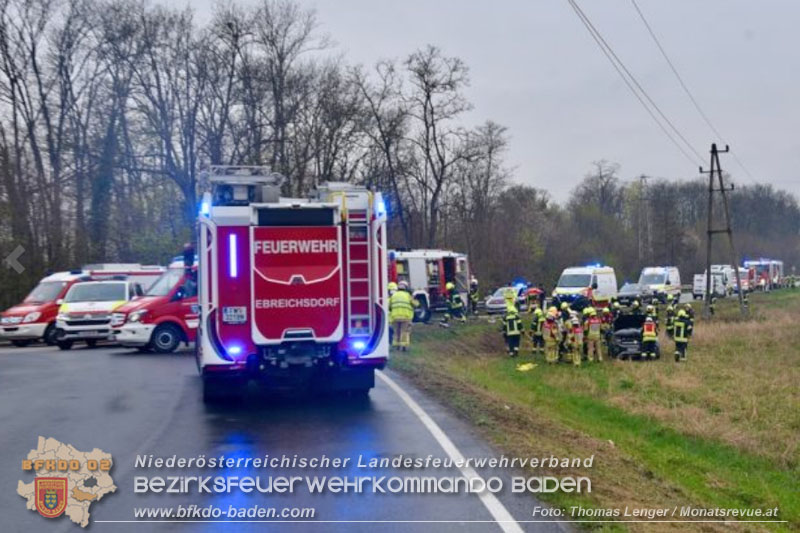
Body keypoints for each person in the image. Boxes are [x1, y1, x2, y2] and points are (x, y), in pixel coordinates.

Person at [389, 281, 417, 351]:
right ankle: (403, 347)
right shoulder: (408, 295)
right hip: (405, 317)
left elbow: (389, 306)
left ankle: (396, 346)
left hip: (395, 317)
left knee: (396, 332)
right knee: (404, 332)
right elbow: (415, 304)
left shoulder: (394, 295)